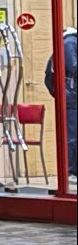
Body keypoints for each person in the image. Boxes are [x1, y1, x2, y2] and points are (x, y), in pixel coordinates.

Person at [44, 27, 77, 185]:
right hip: (71, 97)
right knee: (72, 135)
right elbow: (74, 67)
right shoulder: (70, 43)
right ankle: (69, 171)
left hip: (72, 95)